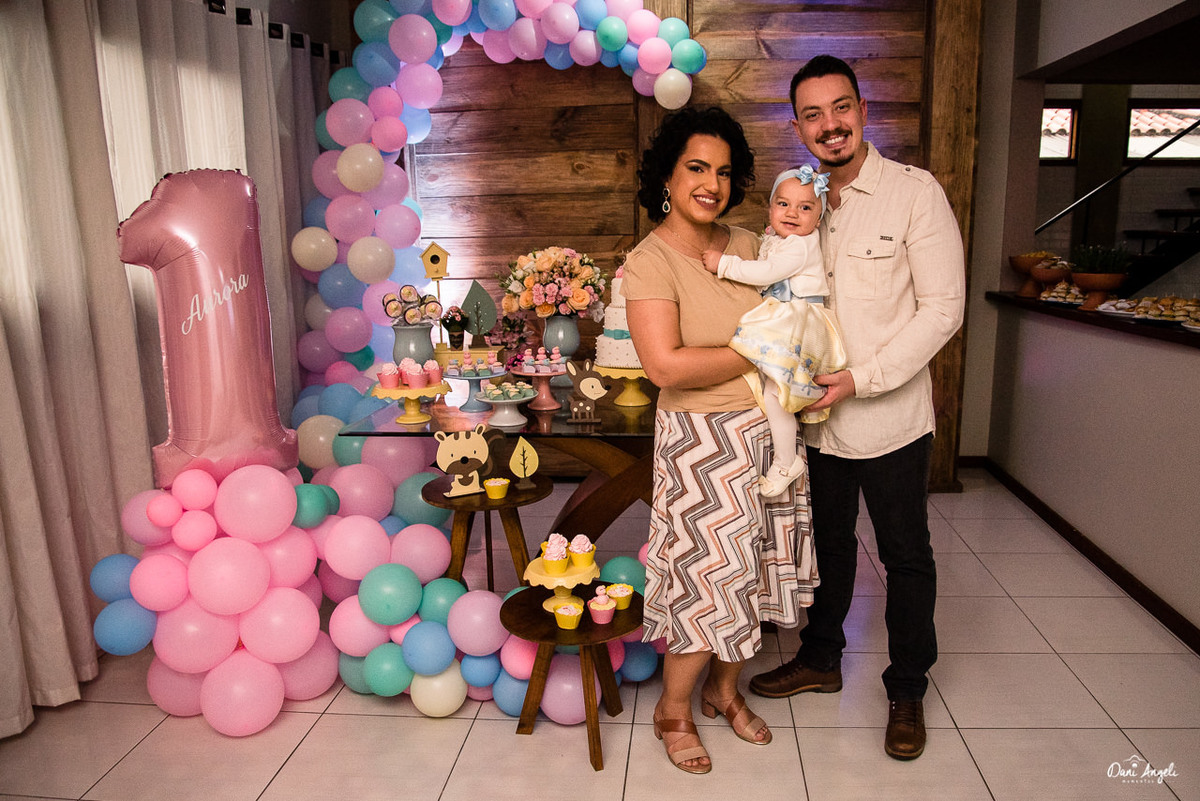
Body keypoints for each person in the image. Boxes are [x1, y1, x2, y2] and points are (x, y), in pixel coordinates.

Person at [748, 54, 965, 762]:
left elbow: (944, 309)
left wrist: (861, 379)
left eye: (841, 107)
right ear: (798, 127)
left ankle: (907, 687)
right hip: (815, 421)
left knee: (905, 555)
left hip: (890, 417)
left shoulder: (913, 193)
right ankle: (820, 657)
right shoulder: (798, 200)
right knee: (828, 546)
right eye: (812, 114)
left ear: (864, 111)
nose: (830, 124)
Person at [622, 106, 818, 774]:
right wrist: (761, 352)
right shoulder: (650, 262)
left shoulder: (750, 244)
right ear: (668, 177)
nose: (712, 184)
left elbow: (798, 303)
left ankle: (723, 690)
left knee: (755, 571)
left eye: (725, 173)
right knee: (708, 578)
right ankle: (672, 707)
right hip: (702, 441)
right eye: (697, 168)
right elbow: (665, 367)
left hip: (770, 431)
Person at [700, 165, 848, 498]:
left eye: (805, 207)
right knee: (770, 388)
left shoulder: (799, 245)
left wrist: (724, 264)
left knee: (775, 394)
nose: (792, 213)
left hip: (799, 321)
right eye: (783, 204)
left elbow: (768, 272)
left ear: (818, 220)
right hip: (788, 318)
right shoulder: (779, 239)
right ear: (770, 208)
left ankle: (786, 461)